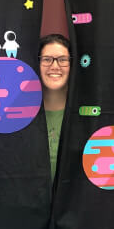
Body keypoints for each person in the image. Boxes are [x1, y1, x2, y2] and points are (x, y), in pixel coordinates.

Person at [39, 34, 71, 180]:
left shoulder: (83, 115)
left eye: (63, 60)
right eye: (47, 59)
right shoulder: (23, 114)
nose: (55, 66)